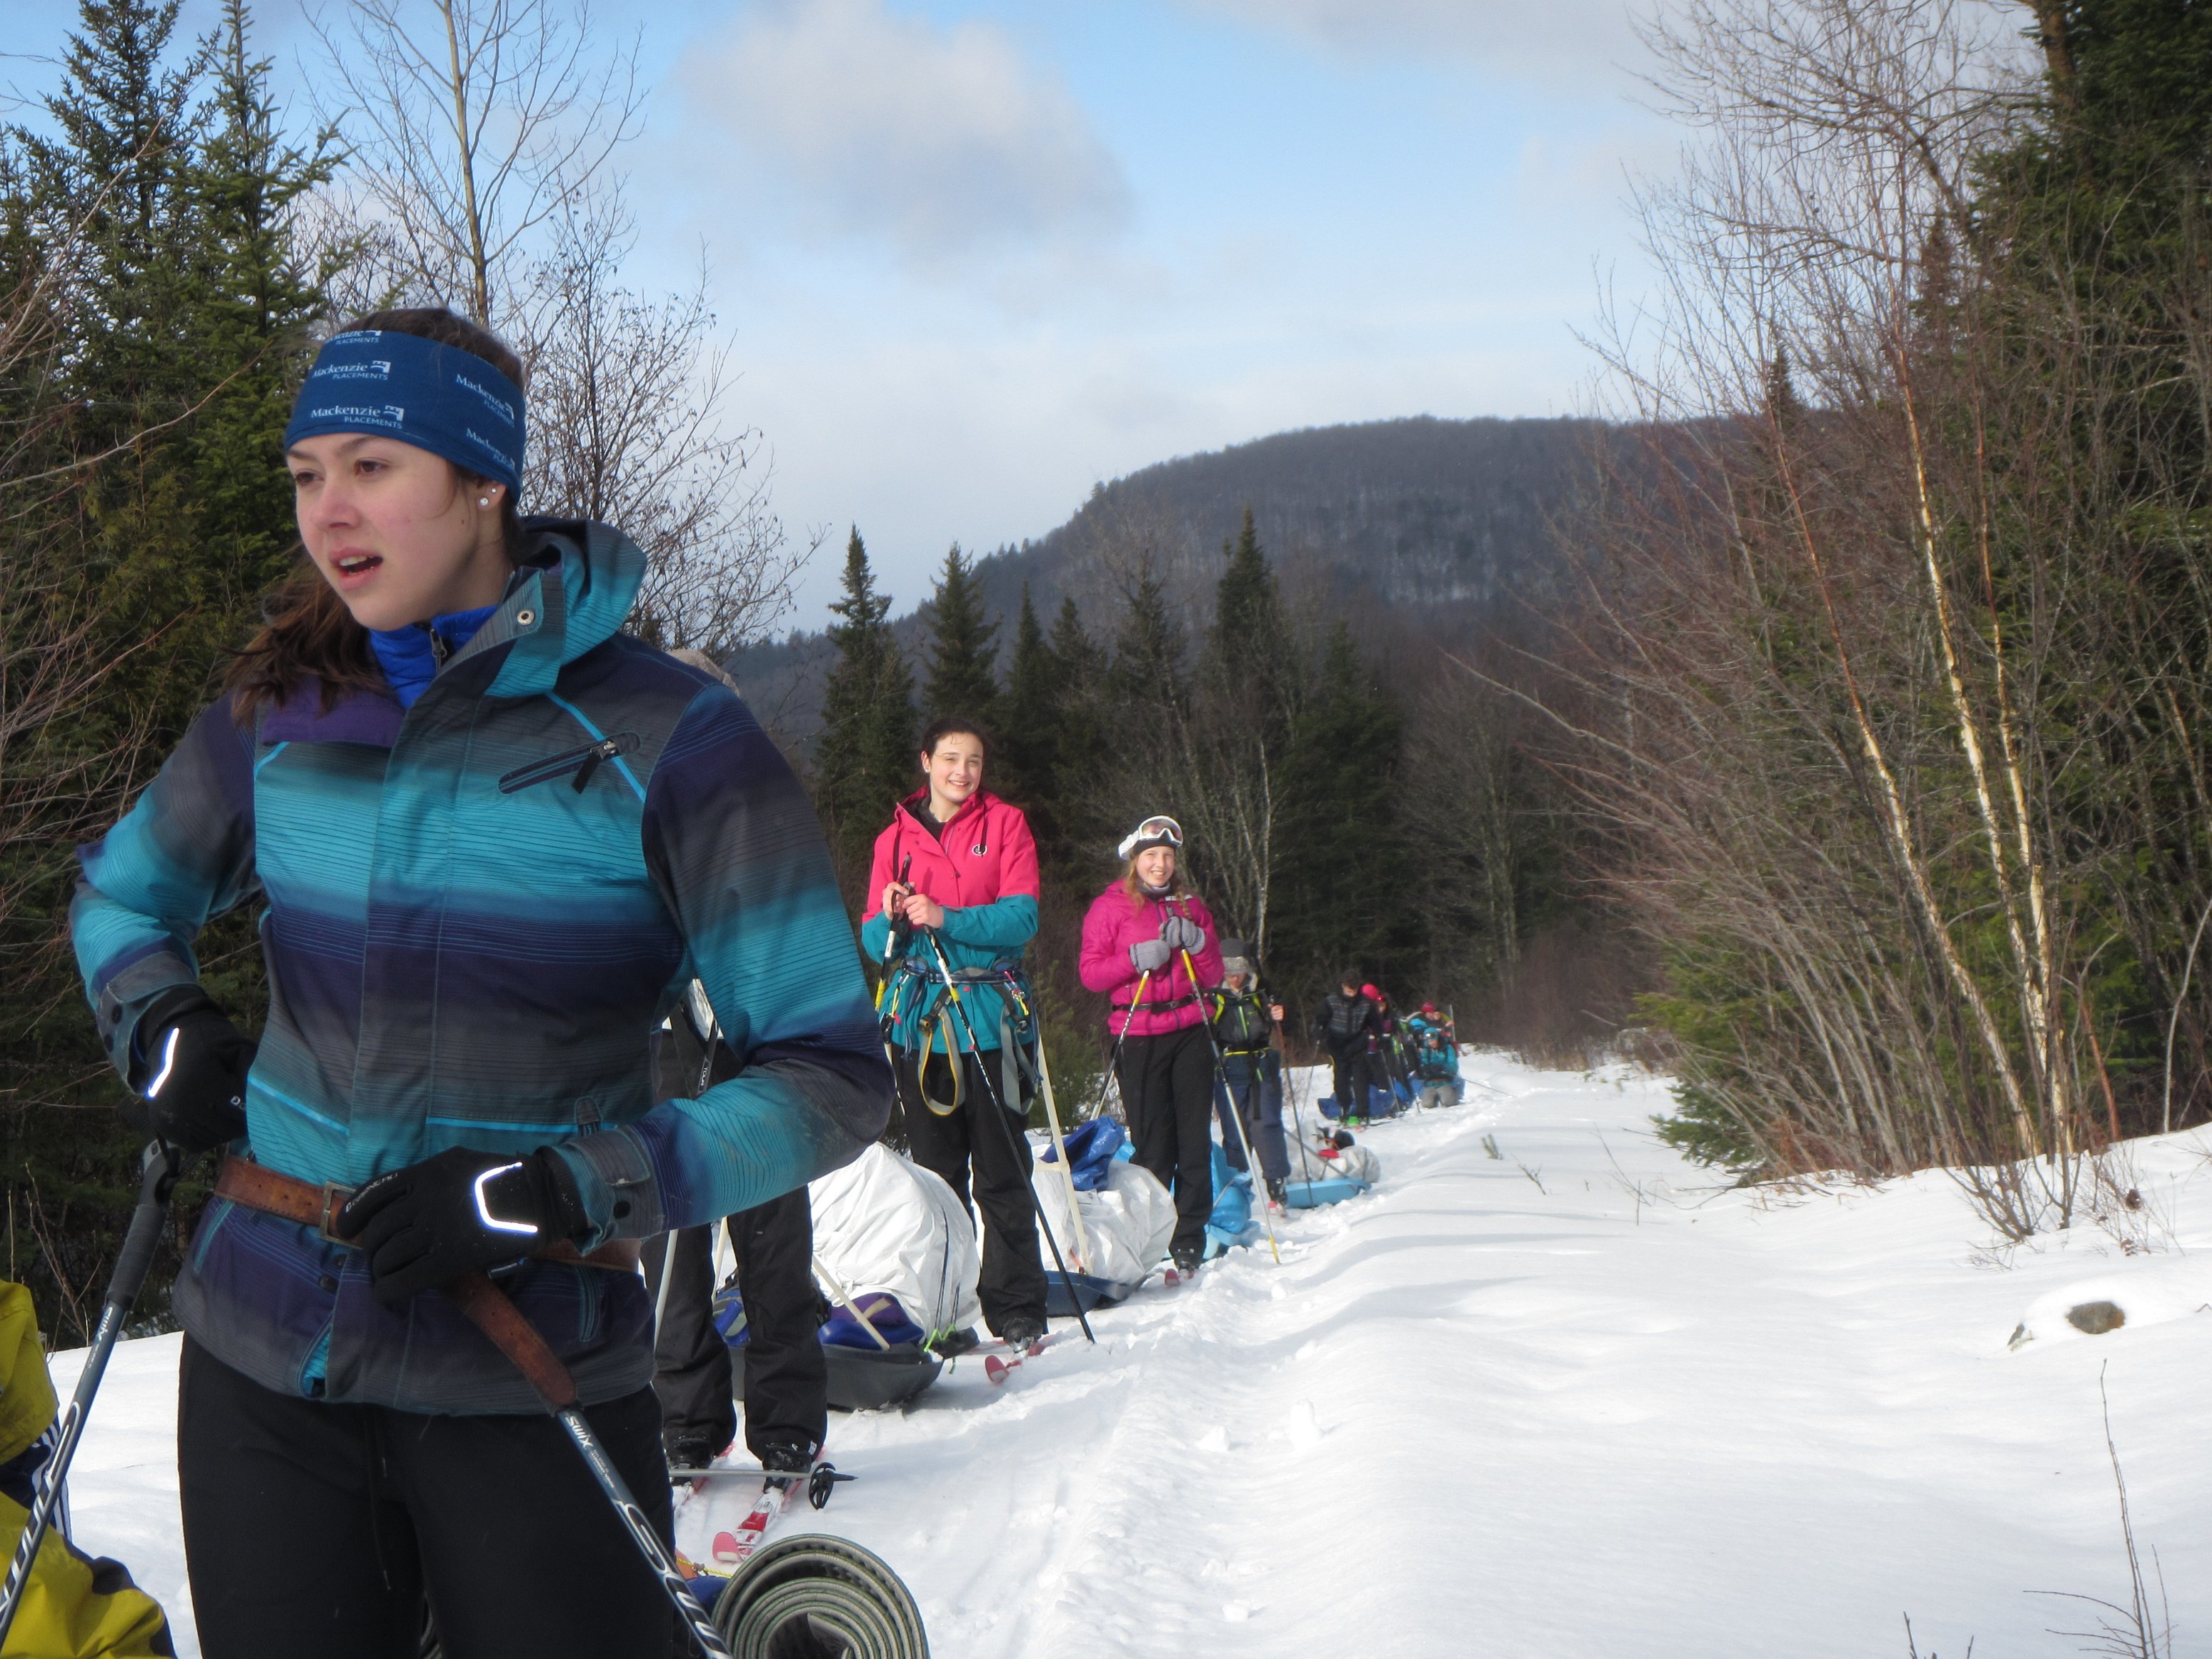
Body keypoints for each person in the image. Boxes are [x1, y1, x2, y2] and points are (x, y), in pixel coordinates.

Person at [69, 308, 889, 1659]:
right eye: (306, 474)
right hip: (266, 1357)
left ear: (484, 482)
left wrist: (560, 1186)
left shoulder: (667, 735)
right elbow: (120, 894)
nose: (329, 511)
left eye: (372, 467)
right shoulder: (284, 711)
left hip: (527, 1366)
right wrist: (156, 1018)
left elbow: (829, 1073)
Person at [861, 717, 1048, 1350]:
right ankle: (947, 1309)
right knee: (937, 1176)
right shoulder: (893, 840)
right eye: (949, 758)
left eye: (973, 761)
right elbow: (875, 942)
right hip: (923, 1026)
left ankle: (1016, 1305)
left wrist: (948, 917)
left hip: (992, 1019)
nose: (961, 772)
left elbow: (1022, 917)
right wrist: (891, 918)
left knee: (1002, 1168)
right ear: (926, 762)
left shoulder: (1007, 824)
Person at [643, 978, 830, 1480]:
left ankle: (788, 1422)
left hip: (757, 1039)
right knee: (671, 1254)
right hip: (661, 1037)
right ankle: (688, 1418)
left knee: (774, 1243)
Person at [1080, 816, 1225, 1273]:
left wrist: (1198, 942)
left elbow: (1215, 974)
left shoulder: (1191, 907)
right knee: (1153, 1144)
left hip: (1191, 1030)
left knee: (1194, 1141)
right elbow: (1091, 974)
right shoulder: (1110, 908)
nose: (1160, 864)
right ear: (1134, 860)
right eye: (1151, 856)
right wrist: (1132, 959)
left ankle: (1189, 1237)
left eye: (1167, 856)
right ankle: (1152, 1232)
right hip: (1139, 1034)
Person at [1205, 939, 1289, 1207]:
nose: (1235, 976)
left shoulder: (1262, 990)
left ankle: (1276, 1184)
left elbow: (1284, 1026)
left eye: (1239, 970)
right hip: (1229, 1068)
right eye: (1229, 970)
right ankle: (1238, 1187)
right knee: (1235, 1132)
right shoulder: (1212, 995)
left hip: (1262, 1065)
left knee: (1267, 1124)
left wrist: (1280, 1016)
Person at [1315, 975, 1380, 1125]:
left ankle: (1363, 1113)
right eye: (1349, 991)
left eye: (1355, 991)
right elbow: (1321, 1018)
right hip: (1338, 1045)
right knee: (1341, 1081)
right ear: (1343, 986)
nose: (1352, 994)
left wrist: (1379, 1036)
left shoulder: (1365, 1002)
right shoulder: (1331, 1000)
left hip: (1358, 1043)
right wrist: (1319, 1029)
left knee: (1361, 1080)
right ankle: (1345, 1108)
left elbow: (1375, 1021)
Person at [1406, 1001, 1462, 1110]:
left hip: (1444, 1080)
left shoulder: (1447, 1048)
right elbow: (1423, 1065)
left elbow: (1453, 1065)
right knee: (1427, 1104)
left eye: (1433, 1040)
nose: (1431, 1043)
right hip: (1431, 1082)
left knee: (1448, 1102)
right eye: (1429, 1041)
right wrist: (1428, 1069)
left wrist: (1443, 1068)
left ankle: (1454, 1093)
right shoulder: (1426, 1050)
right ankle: (1435, 1097)